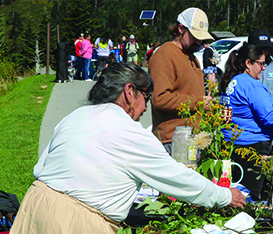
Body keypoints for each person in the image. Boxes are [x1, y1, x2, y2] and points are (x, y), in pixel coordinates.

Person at [10, 63, 246, 234]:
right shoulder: (127, 131)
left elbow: (41, 166)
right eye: (147, 97)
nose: (146, 107)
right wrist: (225, 196)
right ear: (129, 91)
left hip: (33, 206)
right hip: (74, 223)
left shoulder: (76, 115)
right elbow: (176, 177)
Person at [219, 42, 273, 200]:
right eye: (261, 64)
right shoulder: (251, 85)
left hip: (234, 145)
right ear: (248, 63)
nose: (264, 68)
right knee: (252, 197)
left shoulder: (233, 82)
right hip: (253, 148)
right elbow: (271, 118)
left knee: (238, 191)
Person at [149, 7, 213, 154]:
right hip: (173, 140)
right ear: (180, 29)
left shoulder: (192, 57)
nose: (199, 41)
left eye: (201, 37)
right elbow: (159, 98)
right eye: (195, 35)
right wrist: (200, 102)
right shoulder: (164, 55)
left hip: (193, 139)